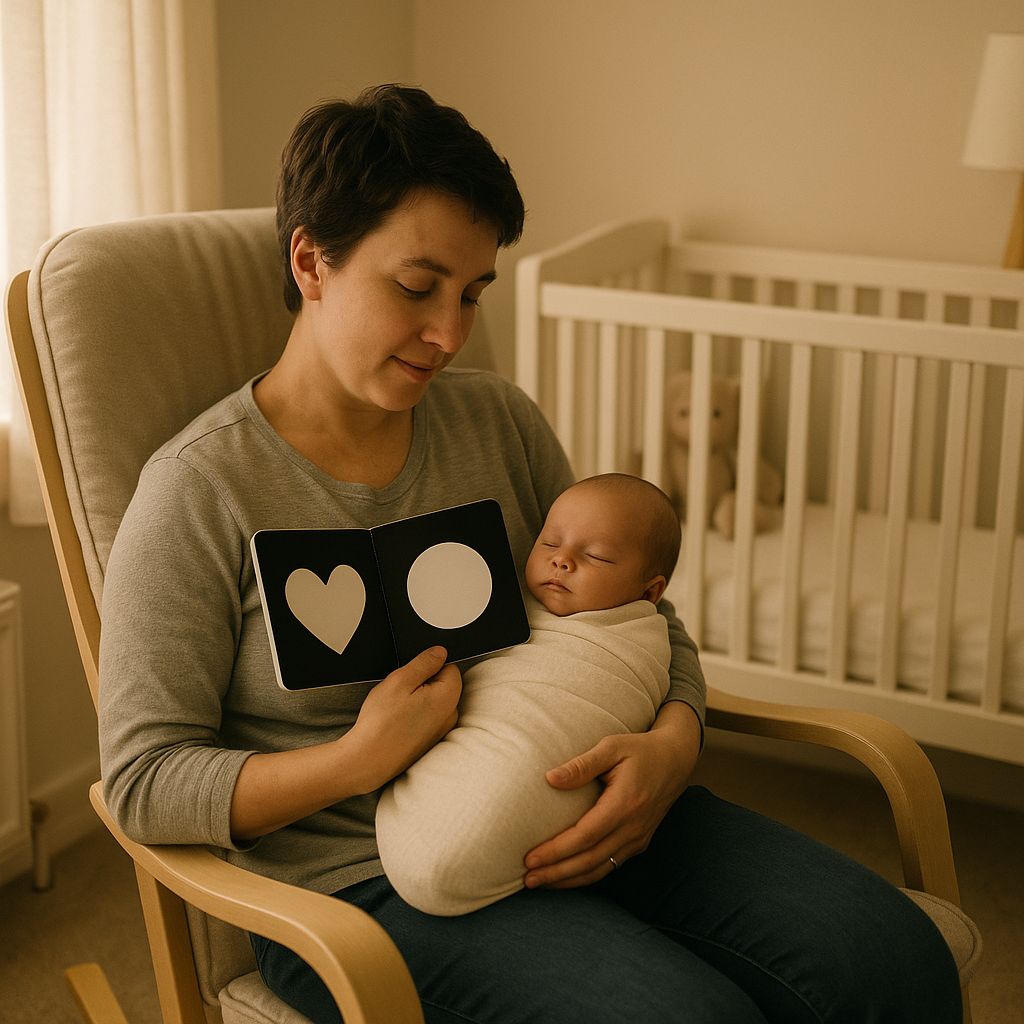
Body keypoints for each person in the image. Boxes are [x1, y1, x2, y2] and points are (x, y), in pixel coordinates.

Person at [98, 85, 962, 1024]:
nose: (450, 334)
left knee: (895, 957)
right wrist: (355, 759)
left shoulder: (496, 421)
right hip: (365, 886)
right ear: (311, 261)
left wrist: (673, 743)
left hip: (580, 796)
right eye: (417, 287)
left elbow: (638, 609)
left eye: (473, 294)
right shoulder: (198, 490)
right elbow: (144, 782)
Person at [376, 473, 681, 915]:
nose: (561, 560)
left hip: (586, 794)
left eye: (595, 556)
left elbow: (649, 678)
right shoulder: (512, 603)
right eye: (549, 543)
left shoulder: (639, 638)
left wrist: (676, 742)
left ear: (649, 592)